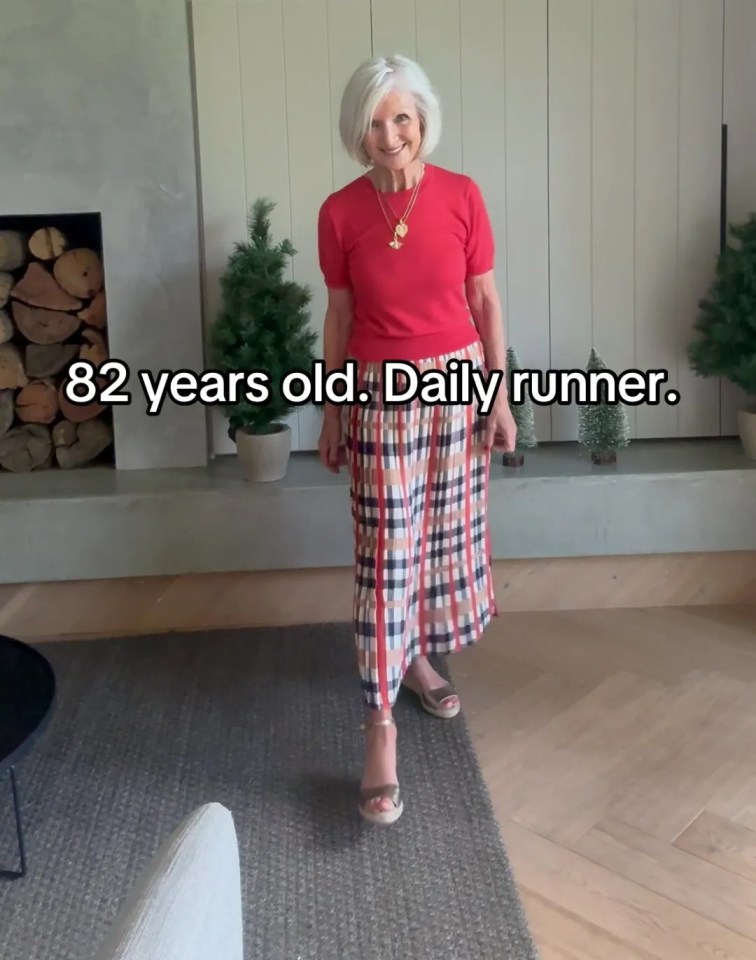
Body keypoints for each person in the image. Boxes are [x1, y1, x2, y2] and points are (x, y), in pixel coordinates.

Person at [316, 54, 516, 826]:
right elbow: (338, 318)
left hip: (458, 388)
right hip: (378, 395)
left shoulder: (463, 196)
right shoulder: (339, 212)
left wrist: (498, 398)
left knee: (440, 540)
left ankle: (420, 657)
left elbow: (486, 303)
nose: (390, 134)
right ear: (357, 132)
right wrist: (334, 410)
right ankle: (380, 729)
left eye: (401, 117)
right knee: (385, 551)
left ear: (423, 119)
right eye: (374, 121)